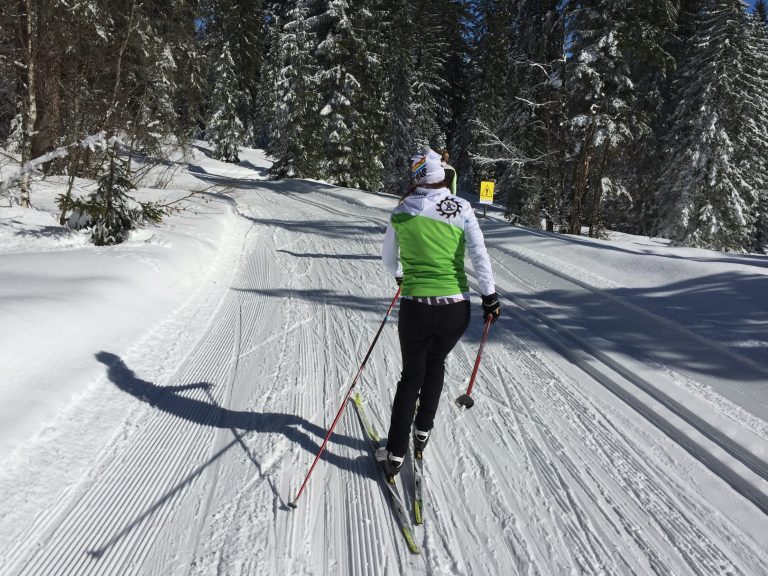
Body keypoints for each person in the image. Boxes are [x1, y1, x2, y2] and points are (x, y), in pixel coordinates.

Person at [377, 148, 500, 478]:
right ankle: (422, 430)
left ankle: (395, 453)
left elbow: (388, 260)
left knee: (410, 377)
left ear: (417, 179)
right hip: (454, 309)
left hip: (416, 307)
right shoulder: (461, 208)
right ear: (441, 177)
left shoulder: (402, 210)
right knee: (436, 363)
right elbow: (479, 254)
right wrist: (489, 297)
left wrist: (401, 275)